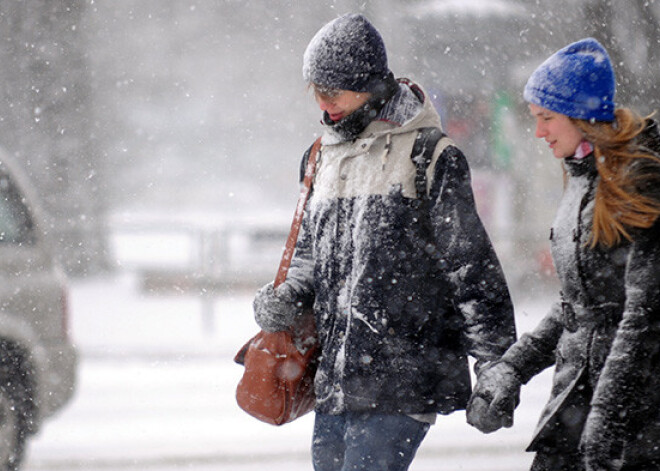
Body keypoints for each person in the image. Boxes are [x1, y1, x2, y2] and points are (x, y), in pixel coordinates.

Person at [252, 13, 517, 471]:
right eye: (315, 89)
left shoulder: (429, 157)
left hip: (403, 379)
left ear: (369, 84)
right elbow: (311, 258)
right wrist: (288, 298)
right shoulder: (321, 157)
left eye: (332, 90)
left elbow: (472, 269)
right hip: (335, 381)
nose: (322, 102)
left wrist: (496, 366)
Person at [467, 38, 660, 471]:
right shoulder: (580, 177)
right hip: (576, 405)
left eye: (546, 118)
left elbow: (642, 317)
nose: (539, 132)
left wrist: (607, 419)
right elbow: (577, 306)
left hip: (635, 414)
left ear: (582, 117)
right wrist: (511, 369)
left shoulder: (638, 182)